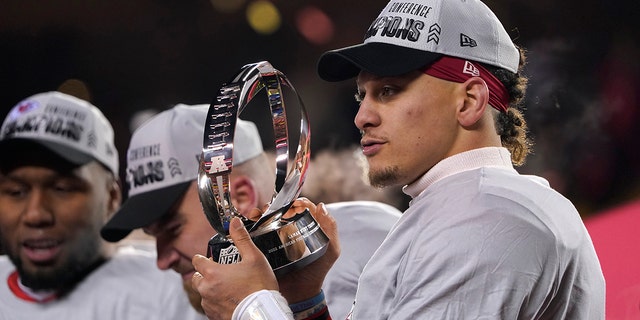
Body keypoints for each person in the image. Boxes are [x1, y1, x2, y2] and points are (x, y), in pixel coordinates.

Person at [190, 0, 606, 319]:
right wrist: (306, 301)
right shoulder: (462, 209)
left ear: (470, 100)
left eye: (389, 90)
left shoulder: (488, 218)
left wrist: (253, 306)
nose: (362, 116)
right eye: (362, 95)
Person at [99, 104, 401, 319]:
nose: (162, 260)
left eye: (173, 229)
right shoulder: (190, 300)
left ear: (239, 199)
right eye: (153, 236)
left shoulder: (374, 241)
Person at [0, 91, 202, 319]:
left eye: (62, 189)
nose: (35, 214)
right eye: (15, 192)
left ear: (112, 196)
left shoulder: (178, 291)